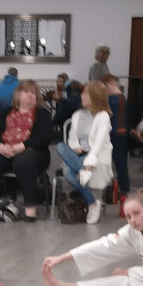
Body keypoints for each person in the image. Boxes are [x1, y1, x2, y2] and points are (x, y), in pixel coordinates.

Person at [0, 80, 53, 222]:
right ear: (18, 95)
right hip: (6, 150)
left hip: (33, 152)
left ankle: (30, 208)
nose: (30, 95)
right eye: (26, 92)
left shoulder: (42, 114)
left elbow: (45, 137)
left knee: (24, 160)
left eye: (33, 93)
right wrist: (0, 147)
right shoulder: (6, 113)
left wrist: (21, 146)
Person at [56, 81, 113, 224]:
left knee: (68, 171)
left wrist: (89, 164)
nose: (81, 95)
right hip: (78, 155)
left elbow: (98, 144)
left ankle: (92, 203)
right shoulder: (77, 115)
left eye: (85, 93)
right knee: (60, 147)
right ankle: (93, 202)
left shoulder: (103, 116)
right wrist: (75, 147)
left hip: (95, 156)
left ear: (94, 96)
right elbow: (72, 139)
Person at [104, 74, 130, 199]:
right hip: (121, 134)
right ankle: (123, 188)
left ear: (110, 85)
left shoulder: (113, 99)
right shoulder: (122, 99)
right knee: (121, 163)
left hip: (114, 134)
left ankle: (121, 188)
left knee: (116, 163)